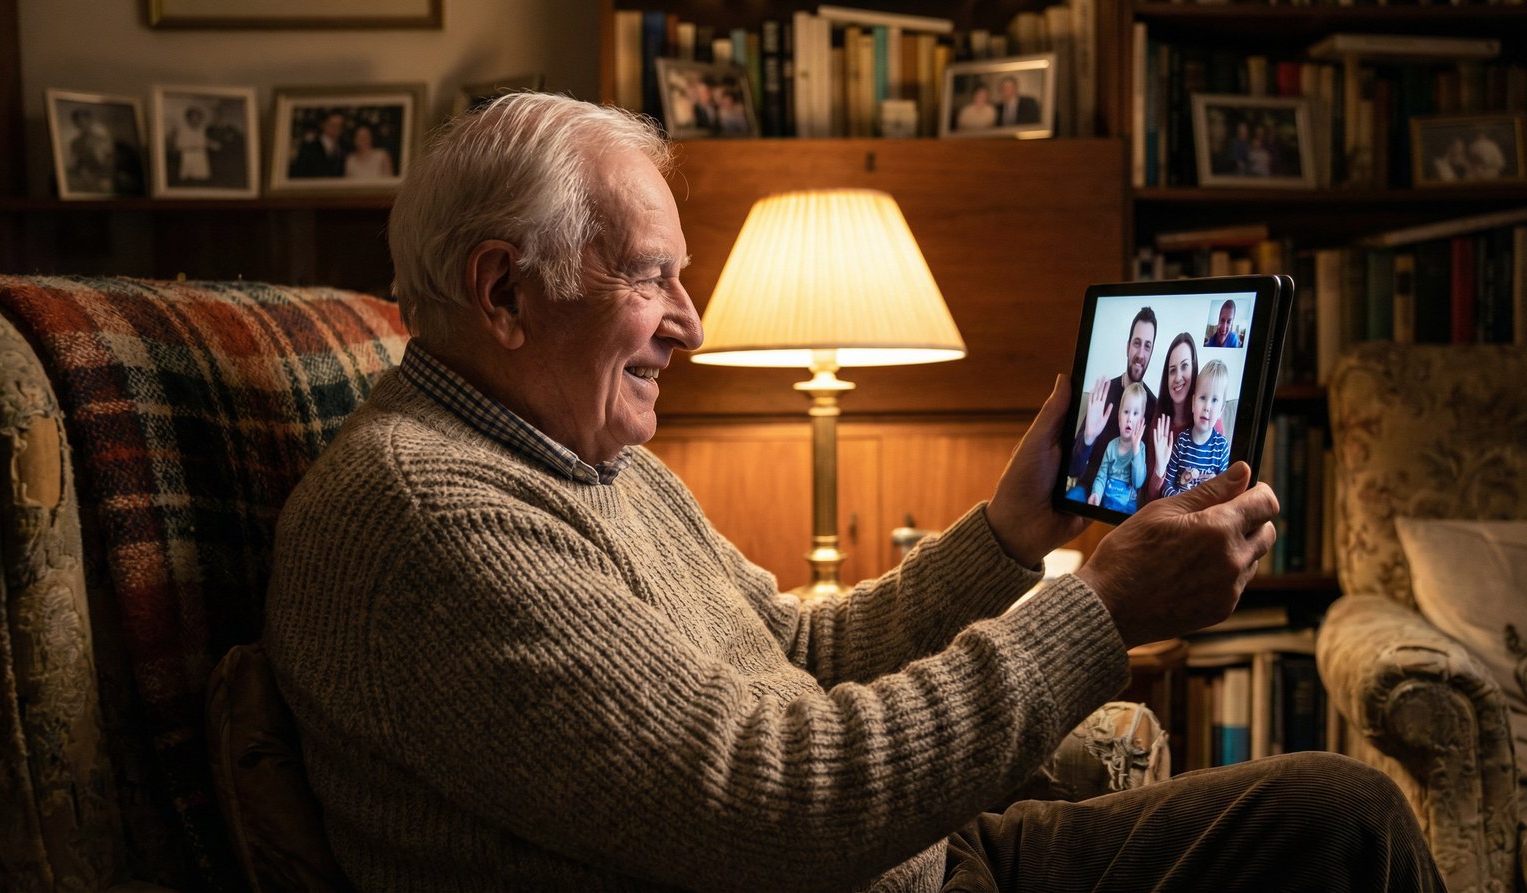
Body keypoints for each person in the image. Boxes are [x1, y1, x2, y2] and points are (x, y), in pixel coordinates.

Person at [266, 92, 1444, 892]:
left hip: (930, 860)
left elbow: (802, 650)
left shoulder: (581, 460)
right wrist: (1098, 611)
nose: (690, 322)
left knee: (1341, 816)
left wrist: (1007, 531)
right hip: (858, 865)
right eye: (652, 276)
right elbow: (777, 796)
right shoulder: (434, 518)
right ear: (503, 291)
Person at [1066, 306, 1157, 503]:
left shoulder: (1153, 408)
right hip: (1088, 492)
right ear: (1127, 346)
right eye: (1137, 343)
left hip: (1123, 503)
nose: (1140, 354)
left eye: (1147, 346)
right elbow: (1072, 469)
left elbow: (1142, 480)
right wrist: (1088, 438)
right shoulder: (1103, 394)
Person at [1162, 359, 1232, 498]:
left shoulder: (1221, 446)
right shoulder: (1182, 441)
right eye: (1203, 398)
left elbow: (1226, 492)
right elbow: (1167, 484)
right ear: (1193, 403)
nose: (1207, 407)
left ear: (1221, 410)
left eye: (1214, 400)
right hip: (1179, 509)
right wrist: (1177, 501)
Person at [1146, 331, 1197, 506]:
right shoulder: (1159, 422)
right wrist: (1159, 470)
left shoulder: (1209, 419)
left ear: (1194, 368)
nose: (1177, 378)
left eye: (1184, 366)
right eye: (1172, 370)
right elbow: (1150, 499)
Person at [1087, 382, 1147, 513]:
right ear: (1119, 417)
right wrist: (1096, 494)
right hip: (1107, 504)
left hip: (1127, 510)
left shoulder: (1140, 448)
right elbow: (1101, 476)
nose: (1129, 418)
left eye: (1135, 413)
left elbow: (1138, 482)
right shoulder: (1111, 446)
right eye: (1126, 412)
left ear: (1141, 421)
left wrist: (1136, 450)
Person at [290, 110, 347, 178]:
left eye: (339, 126)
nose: (335, 129)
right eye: (332, 125)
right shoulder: (309, 147)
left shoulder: (344, 148)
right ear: (323, 125)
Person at [170, 105, 215, 184]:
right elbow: (179, 145)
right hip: (188, 156)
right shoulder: (183, 130)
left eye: (198, 118)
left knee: (201, 179)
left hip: (200, 156)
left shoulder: (202, 129)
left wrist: (210, 143)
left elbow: (204, 141)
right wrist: (193, 146)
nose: (195, 120)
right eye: (193, 117)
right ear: (188, 119)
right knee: (188, 178)